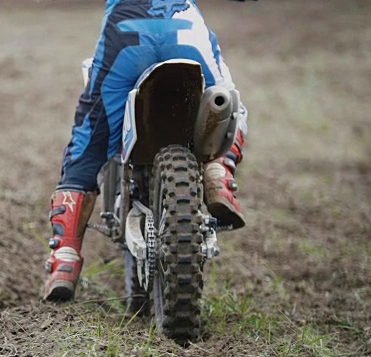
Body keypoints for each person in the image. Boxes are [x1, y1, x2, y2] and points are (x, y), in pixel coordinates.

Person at [43, 0, 250, 302]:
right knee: (228, 104)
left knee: (89, 138)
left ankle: (65, 258)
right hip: (186, 28)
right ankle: (218, 171)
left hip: (125, 32)